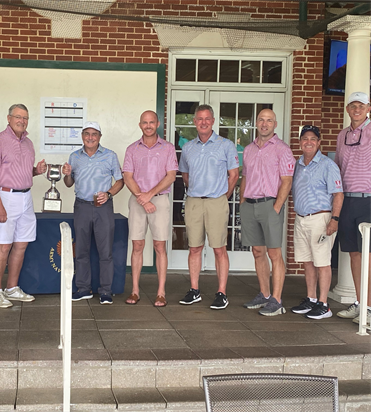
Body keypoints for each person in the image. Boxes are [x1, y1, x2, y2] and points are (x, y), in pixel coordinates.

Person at [0, 104, 47, 309]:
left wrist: (36, 171)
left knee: (21, 244)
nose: (22, 121)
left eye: (25, 118)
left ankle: (11, 288)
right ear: (9, 118)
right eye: (18, 117)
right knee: (4, 245)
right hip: (5, 196)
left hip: (26, 197)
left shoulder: (28, 143)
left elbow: (24, 171)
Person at [178, 104, 239, 309]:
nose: (203, 122)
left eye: (207, 119)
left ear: (213, 121)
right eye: (200, 119)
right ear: (194, 122)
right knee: (194, 247)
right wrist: (196, 190)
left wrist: (222, 196)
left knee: (219, 248)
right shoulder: (188, 147)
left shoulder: (226, 145)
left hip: (216, 201)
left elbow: (234, 175)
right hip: (194, 201)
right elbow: (185, 174)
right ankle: (194, 290)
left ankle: (221, 293)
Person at [240, 108, 296, 316]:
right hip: (250, 205)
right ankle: (264, 294)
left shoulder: (283, 149)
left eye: (269, 120)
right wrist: (242, 201)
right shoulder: (249, 149)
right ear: (256, 122)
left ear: (275, 124)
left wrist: (277, 207)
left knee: (274, 253)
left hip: (270, 205)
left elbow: (287, 181)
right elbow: (245, 176)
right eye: (261, 120)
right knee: (257, 251)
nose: (264, 124)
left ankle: (277, 300)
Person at [62, 121, 124, 305]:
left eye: (94, 134)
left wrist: (109, 194)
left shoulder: (110, 156)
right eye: (87, 134)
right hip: (81, 206)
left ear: (100, 137)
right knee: (81, 250)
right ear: (82, 136)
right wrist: (67, 174)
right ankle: (83, 289)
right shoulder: (74, 156)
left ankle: (105, 291)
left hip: (103, 207)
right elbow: (68, 184)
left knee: (105, 252)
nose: (90, 137)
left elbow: (120, 181)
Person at [123, 110, 178, 307]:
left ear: (158, 124)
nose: (148, 126)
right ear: (140, 125)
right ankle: (135, 290)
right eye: (145, 122)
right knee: (137, 245)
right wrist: (143, 198)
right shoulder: (132, 149)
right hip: (138, 200)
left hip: (160, 201)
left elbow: (171, 176)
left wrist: (150, 194)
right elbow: (127, 176)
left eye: (151, 122)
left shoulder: (168, 148)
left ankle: (161, 292)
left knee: (159, 246)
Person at [291, 125, 343, 320]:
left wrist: (334, 220)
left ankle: (324, 304)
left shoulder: (328, 165)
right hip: (301, 219)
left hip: (321, 218)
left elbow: (338, 194)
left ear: (319, 142)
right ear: (300, 142)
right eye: (305, 138)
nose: (309, 142)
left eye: (313, 139)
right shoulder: (297, 165)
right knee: (308, 262)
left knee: (322, 262)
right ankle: (311, 299)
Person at [334, 91, 371, 328]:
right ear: (347, 109)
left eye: (361, 106)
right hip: (347, 201)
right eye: (353, 106)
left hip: (368, 200)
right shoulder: (342, 135)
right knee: (354, 254)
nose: (357, 109)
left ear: (369, 108)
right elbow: (338, 166)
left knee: (369, 255)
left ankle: (370, 307)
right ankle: (360, 302)